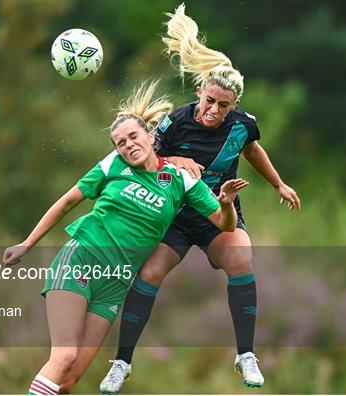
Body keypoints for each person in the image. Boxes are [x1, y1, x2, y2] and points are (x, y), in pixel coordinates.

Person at [99, 4, 301, 393]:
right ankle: (121, 363)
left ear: (234, 106)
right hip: (174, 216)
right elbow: (146, 160)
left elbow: (253, 150)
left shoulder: (244, 125)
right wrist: (176, 159)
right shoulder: (175, 121)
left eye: (223, 106)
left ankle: (245, 355)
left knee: (242, 256)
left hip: (216, 215)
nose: (213, 110)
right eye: (209, 101)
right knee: (149, 274)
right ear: (199, 92)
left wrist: (278, 184)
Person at [2, 80, 249, 395]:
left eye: (133, 136)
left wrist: (226, 202)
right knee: (63, 356)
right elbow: (66, 203)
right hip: (82, 259)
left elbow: (225, 224)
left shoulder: (178, 179)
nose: (128, 145)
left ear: (150, 135)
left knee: (68, 381)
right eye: (120, 142)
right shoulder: (113, 164)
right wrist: (26, 243)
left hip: (115, 282)